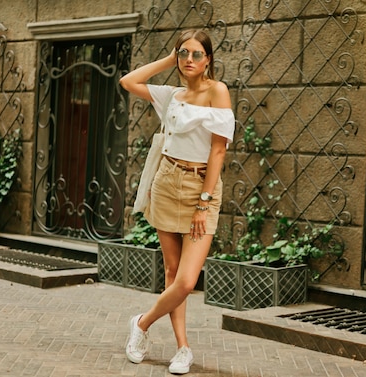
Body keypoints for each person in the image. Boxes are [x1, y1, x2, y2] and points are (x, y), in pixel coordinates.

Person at [118, 29, 235, 375]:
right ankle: (182, 348)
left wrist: (204, 201)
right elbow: (128, 81)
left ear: (209, 58)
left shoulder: (218, 91)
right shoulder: (172, 95)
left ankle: (141, 323)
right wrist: (170, 58)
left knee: (186, 281)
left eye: (197, 53)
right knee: (171, 273)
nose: (189, 60)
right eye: (184, 53)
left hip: (202, 187)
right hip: (167, 181)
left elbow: (217, 150)